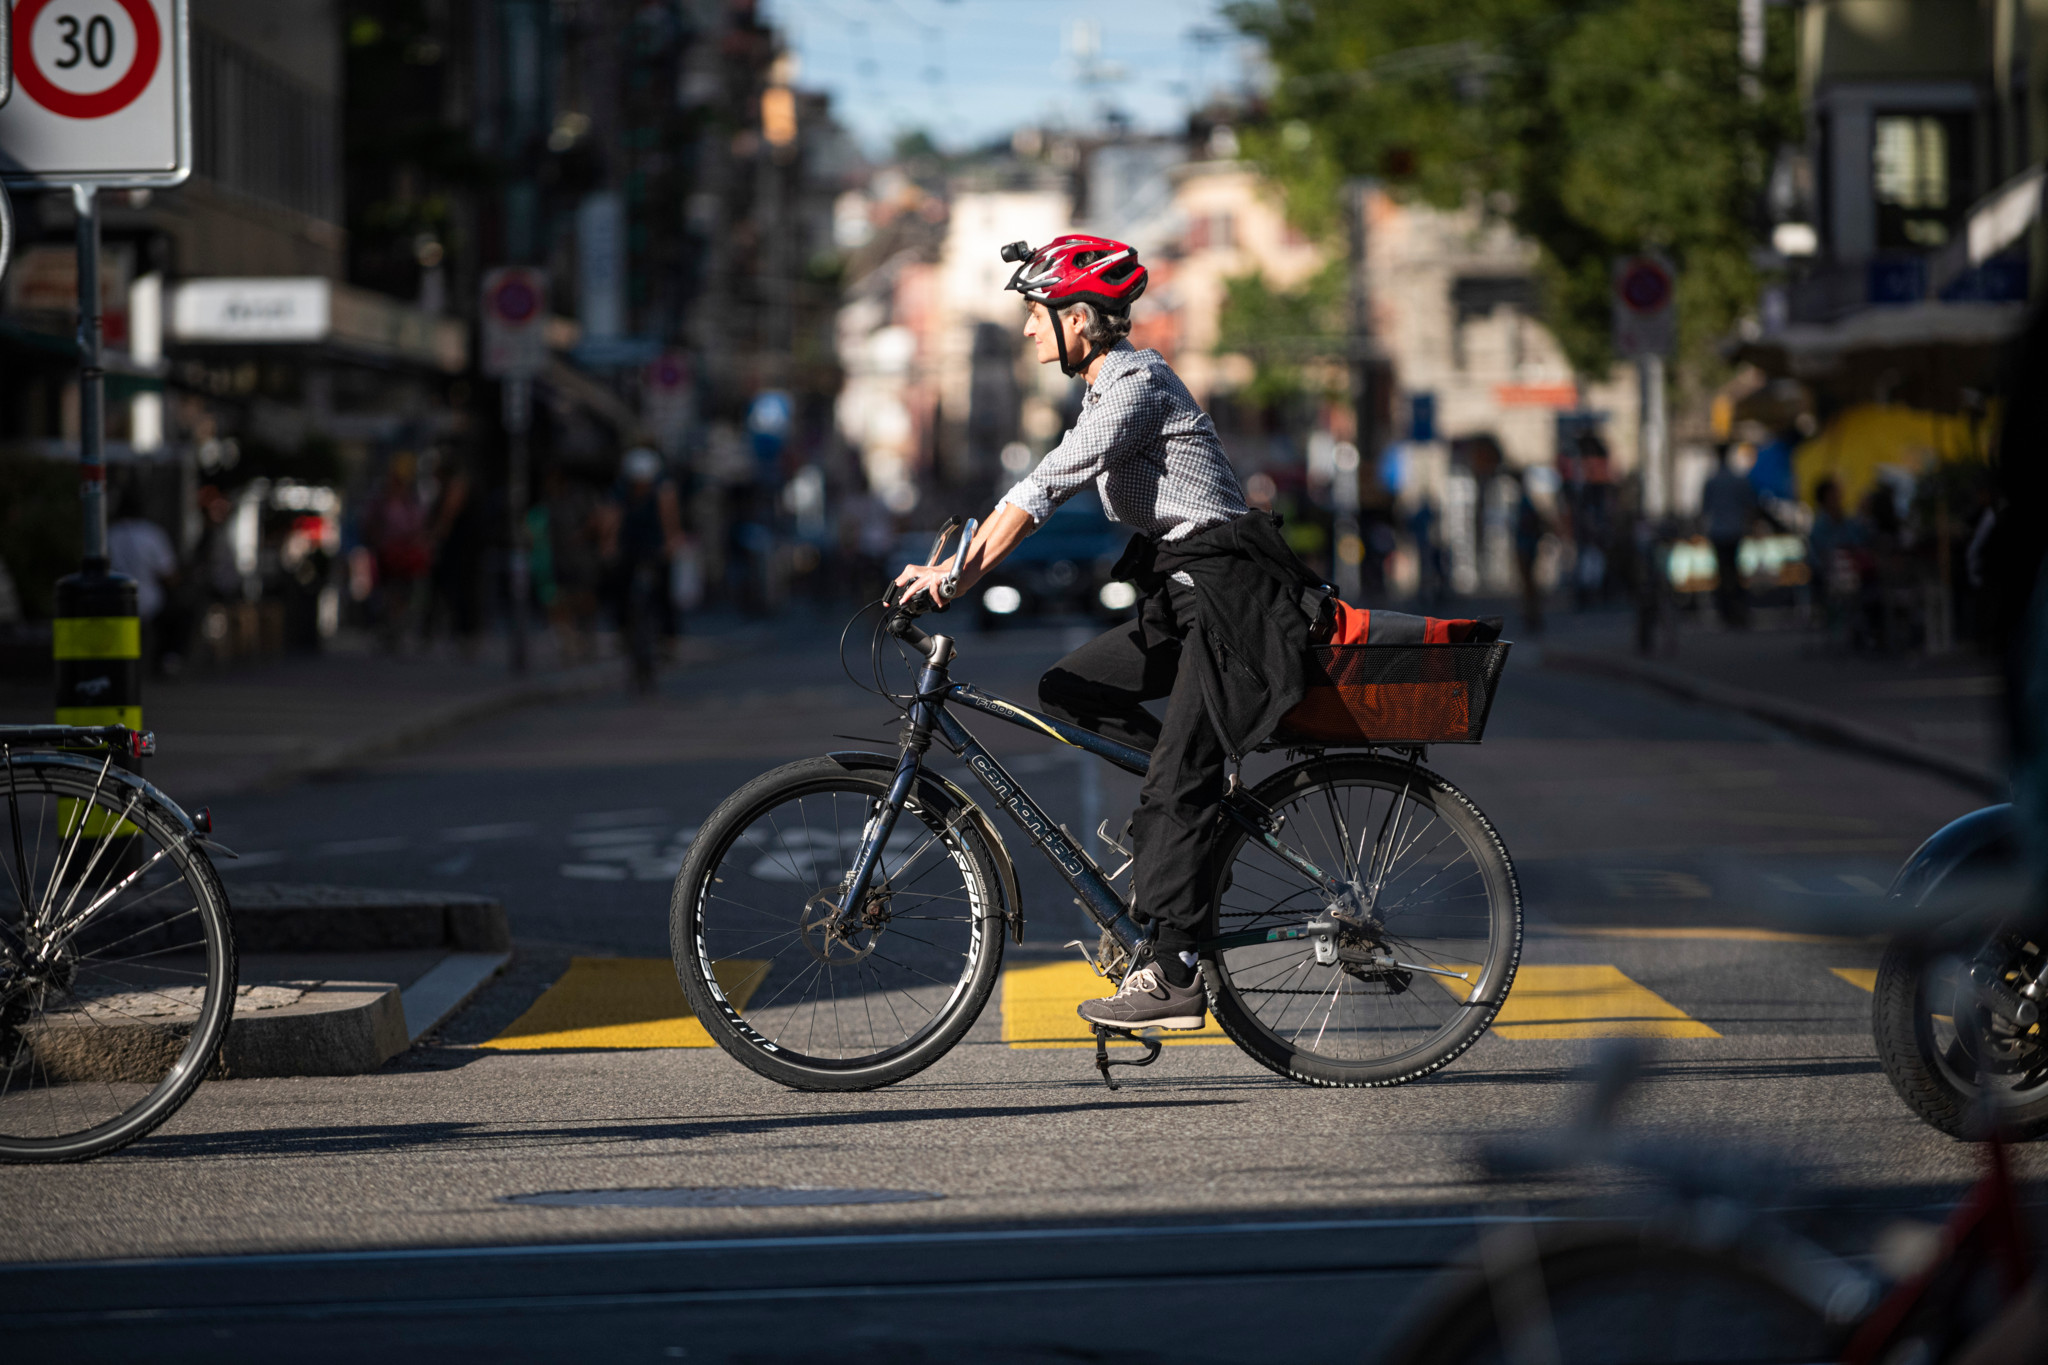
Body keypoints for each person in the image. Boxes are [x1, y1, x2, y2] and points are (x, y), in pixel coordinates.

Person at [893, 234, 1326, 1032]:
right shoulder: (1103, 388)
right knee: (1070, 689)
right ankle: (1191, 798)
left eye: (1037, 313)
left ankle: (1173, 974)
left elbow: (1046, 483)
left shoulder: (1138, 384)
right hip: (1184, 592)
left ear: (1081, 317)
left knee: (1172, 783)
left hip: (1234, 595)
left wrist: (954, 576)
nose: (1028, 330)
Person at [107, 488, 182, 675]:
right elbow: (169, 575)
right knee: (178, 611)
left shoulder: (110, 534)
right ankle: (167, 659)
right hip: (150, 601)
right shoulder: (151, 534)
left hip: (113, 600)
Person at [1701, 443, 1758, 628]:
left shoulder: (1712, 481)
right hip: (1735, 531)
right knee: (1735, 572)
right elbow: (1749, 505)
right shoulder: (1737, 479)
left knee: (1722, 574)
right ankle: (1739, 611)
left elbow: (1704, 509)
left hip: (1718, 531)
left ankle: (1725, 613)